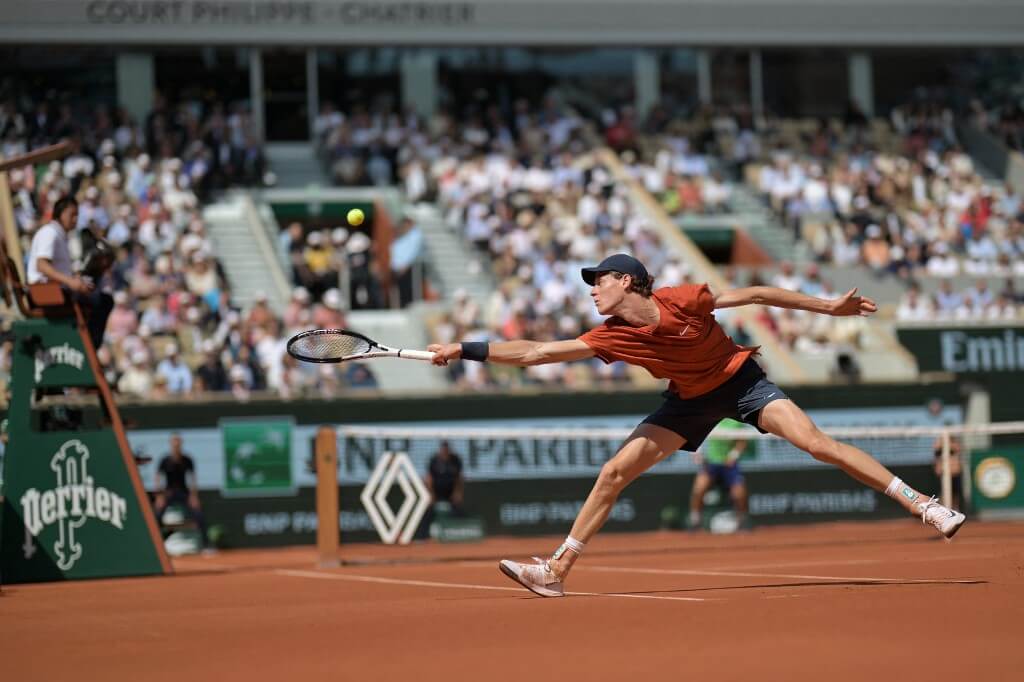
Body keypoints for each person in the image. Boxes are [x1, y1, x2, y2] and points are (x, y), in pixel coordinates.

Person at [428, 253, 967, 597]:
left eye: (599, 281)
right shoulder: (610, 335)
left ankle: (925, 504)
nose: (592, 290)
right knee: (614, 472)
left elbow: (756, 295)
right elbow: (535, 353)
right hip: (688, 402)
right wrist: (464, 348)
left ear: (627, 281)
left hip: (740, 382)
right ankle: (556, 572)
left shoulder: (683, 299)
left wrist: (828, 308)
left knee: (817, 444)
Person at [27, 196, 113, 349]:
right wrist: (71, 282)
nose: (75, 219)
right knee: (103, 302)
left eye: (77, 215)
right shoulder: (50, 233)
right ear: (60, 213)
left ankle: (87, 347)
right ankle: (88, 348)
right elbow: (42, 266)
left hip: (55, 289)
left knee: (97, 294)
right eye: (71, 214)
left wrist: (76, 279)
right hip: (47, 292)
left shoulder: (60, 236)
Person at [688, 417, 749, 530]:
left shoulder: (736, 421)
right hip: (711, 464)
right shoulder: (710, 418)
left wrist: (733, 456)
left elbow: (742, 442)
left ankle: (742, 521)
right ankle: (695, 521)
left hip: (730, 466)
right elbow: (695, 436)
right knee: (698, 489)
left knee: (740, 494)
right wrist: (698, 454)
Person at [153, 433, 208, 547]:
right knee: (156, 515)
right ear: (171, 444)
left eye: (178, 441)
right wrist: (159, 496)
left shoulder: (187, 460)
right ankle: (155, 544)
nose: (176, 444)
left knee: (199, 515)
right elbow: (158, 477)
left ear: (181, 443)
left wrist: (193, 496)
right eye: (174, 442)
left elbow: (193, 478)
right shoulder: (165, 460)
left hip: (183, 492)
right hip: (168, 493)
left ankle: (206, 545)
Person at [933, 435, 964, 511]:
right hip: (942, 472)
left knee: (955, 494)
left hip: (954, 473)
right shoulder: (939, 444)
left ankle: (955, 510)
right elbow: (936, 449)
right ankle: (941, 510)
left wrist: (949, 444)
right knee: (942, 493)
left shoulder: (954, 444)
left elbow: (958, 449)